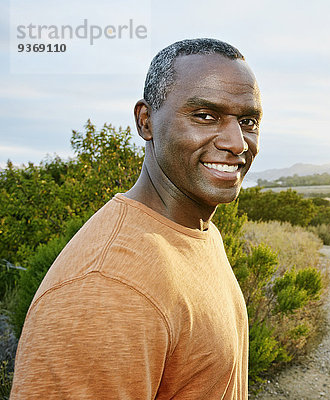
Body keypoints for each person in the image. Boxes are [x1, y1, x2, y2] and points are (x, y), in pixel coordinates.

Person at [10, 38, 262, 399]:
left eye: (248, 121)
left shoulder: (197, 230)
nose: (237, 142)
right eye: (206, 116)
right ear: (146, 121)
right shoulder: (106, 289)